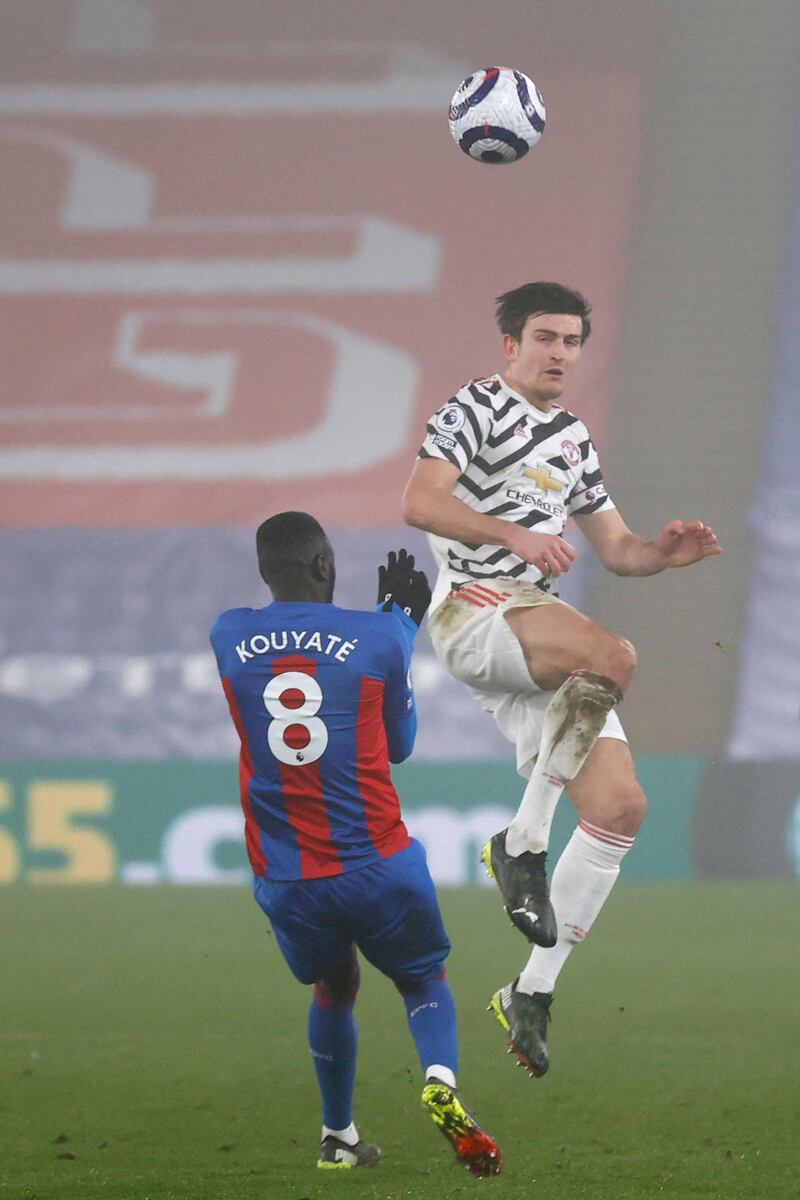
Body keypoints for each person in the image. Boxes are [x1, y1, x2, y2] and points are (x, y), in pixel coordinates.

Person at [401, 281, 721, 1078]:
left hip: (537, 637)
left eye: (573, 341)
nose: (559, 353)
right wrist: (509, 532)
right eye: (545, 337)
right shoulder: (473, 408)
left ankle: (530, 991)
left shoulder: (574, 438)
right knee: (612, 656)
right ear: (510, 344)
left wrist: (659, 553)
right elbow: (419, 502)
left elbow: (616, 549)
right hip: (478, 613)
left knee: (620, 809)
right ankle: (523, 839)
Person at [209, 512, 501, 1176]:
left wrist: (386, 630)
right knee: (423, 976)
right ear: (323, 566)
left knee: (335, 985)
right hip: (378, 862)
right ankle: (441, 1080)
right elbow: (398, 747)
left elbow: (288, 652)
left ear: (264, 570)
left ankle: (337, 1136)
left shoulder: (227, 634)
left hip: (289, 878)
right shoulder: (378, 637)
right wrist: (401, 625)